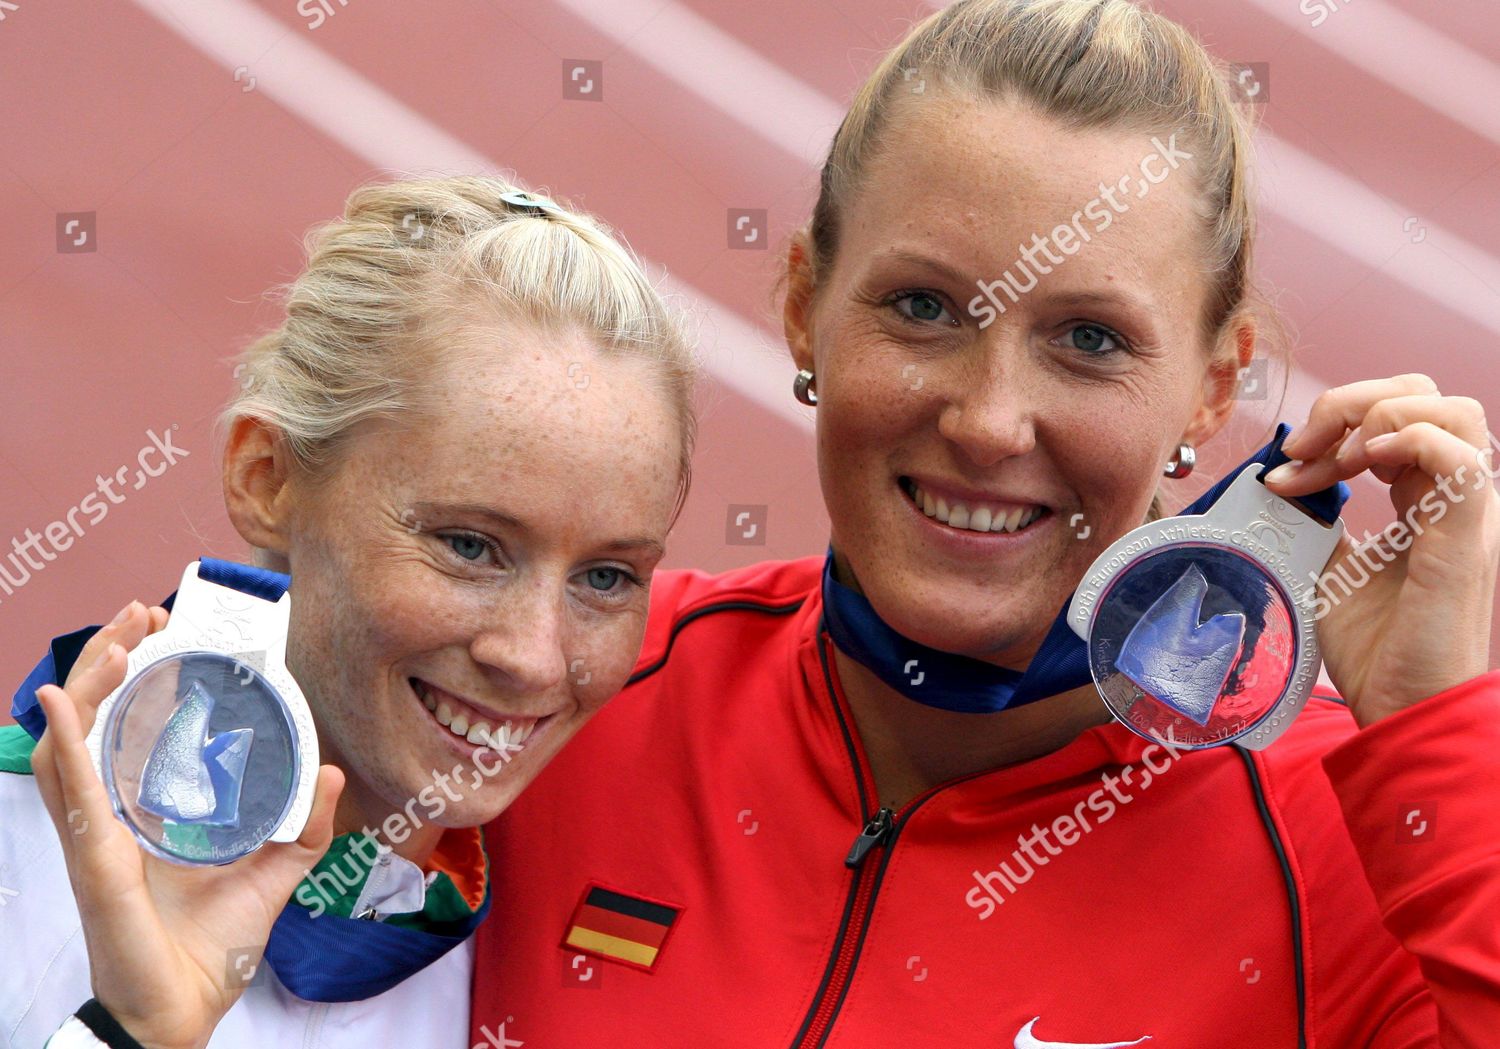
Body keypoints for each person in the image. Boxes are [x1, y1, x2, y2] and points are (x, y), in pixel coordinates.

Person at [466, 2, 1500, 1046]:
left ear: (1212, 388)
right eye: (922, 307)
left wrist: (1437, 734)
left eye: (1090, 338)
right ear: (803, 304)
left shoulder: (1352, 849)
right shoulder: (564, 695)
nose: (988, 422)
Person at [0, 175, 697, 1048]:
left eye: (605, 577)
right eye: (469, 545)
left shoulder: (548, 946)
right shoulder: (20, 869)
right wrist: (133, 1032)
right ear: (269, 479)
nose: (535, 657)